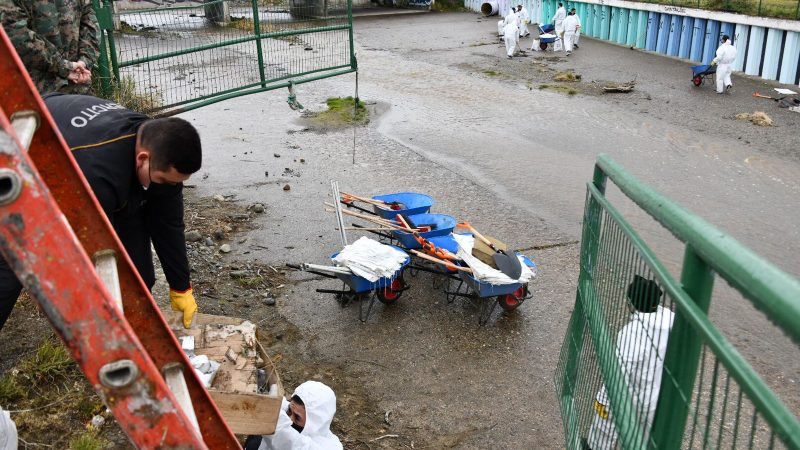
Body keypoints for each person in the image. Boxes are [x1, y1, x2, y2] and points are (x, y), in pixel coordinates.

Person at [0, 93, 201, 331]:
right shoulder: (96, 174)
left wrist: (181, 287)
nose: (167, 186)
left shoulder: (157, 142)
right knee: (9, 268)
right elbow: (86, 250)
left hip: (87, 154)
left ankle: (132, 332)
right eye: (164, 180)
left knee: (138, 279)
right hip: (19, 164)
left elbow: (167, 223)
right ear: (143, 158)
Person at [585, 275, 675, 450]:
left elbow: (620, 371)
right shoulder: (671, 321)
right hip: (658, 396)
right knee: (641, 442)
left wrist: (603, 400)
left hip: (633, 395)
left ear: (632, 303)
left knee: (603, 433)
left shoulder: (633, 333)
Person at [0, 0, 98, 94]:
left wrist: (81, 63)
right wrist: (82, 63)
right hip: (75, 85)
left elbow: (15, 34)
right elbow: (90, 26)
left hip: (39, 91)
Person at [256, 381, 343, 450]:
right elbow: (283, 405)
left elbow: (287, 441)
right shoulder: (296, 411)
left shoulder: (328, 447)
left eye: (297, 417)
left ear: (313, 423)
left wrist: (269, 408)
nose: (290, 419)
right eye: (289, 411)